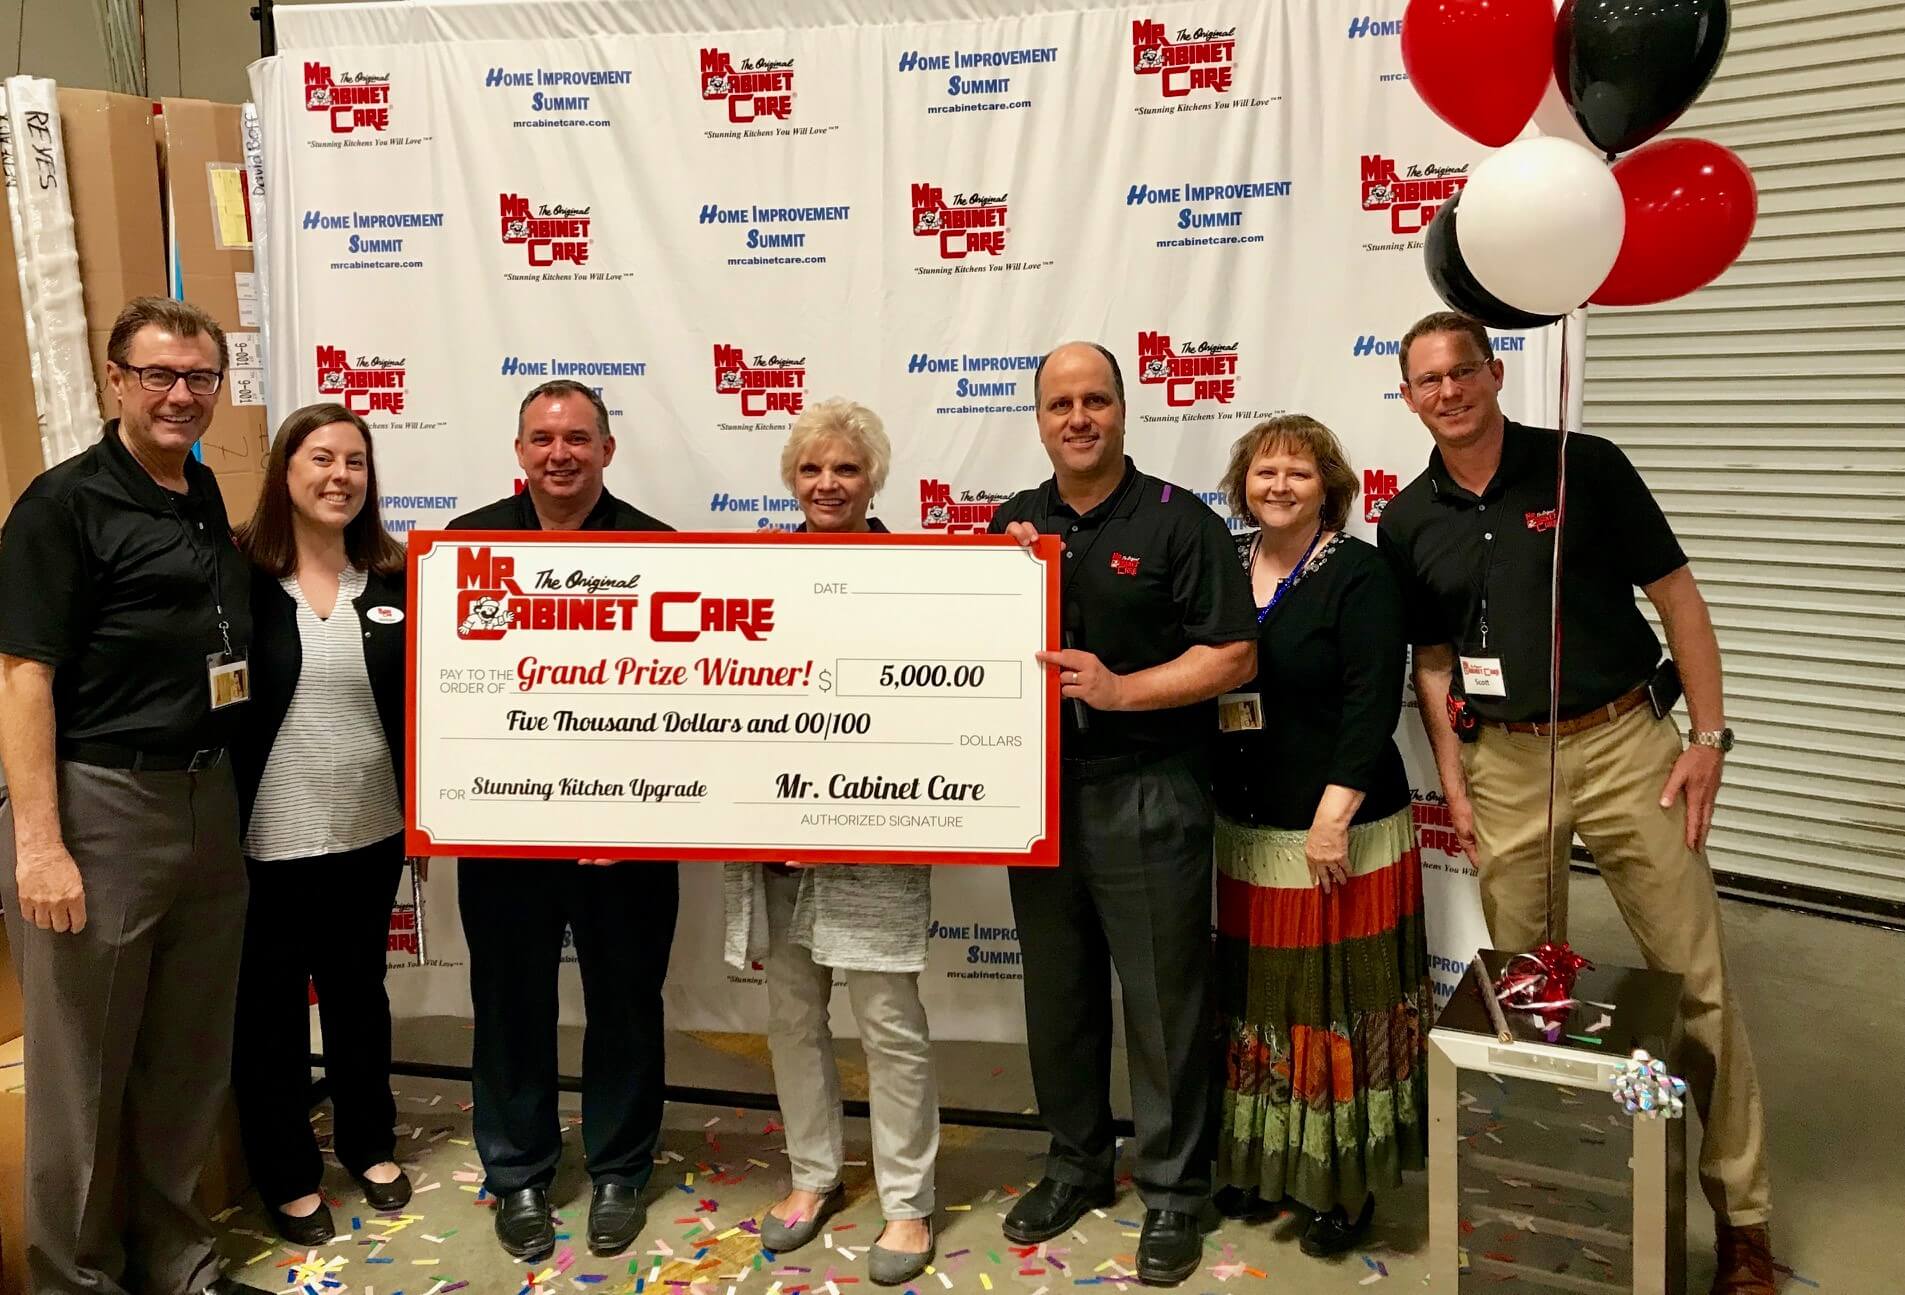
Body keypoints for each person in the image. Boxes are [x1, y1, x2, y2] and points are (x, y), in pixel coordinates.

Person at [1377, 311, 1772, 1295]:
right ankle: (1559, 1185)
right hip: (1505, 761)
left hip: (1627, 743)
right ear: (1409, 397)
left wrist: (1708, 738)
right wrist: (1454, 780)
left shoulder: (1583, 467)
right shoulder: (1407, 518)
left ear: (1494, 372)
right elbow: (1433, 662)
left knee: (1695, 983)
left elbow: (1677, 598)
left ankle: (1743, 1217)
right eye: (1427, 380)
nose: (1447, 391)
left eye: (1462, 371)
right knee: (1528, 993)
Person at [0, 296, 268, 1295]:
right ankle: (76, 1278)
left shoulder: (198, 489)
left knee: (186, 1060)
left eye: (199, 377)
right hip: (101, 809)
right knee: (82, 1075)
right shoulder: (62, 504)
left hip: (208, 801)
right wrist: (41, 845)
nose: (180, 394)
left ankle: (178, 1262)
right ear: (115, 379)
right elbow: (23, 677)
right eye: (158, 374)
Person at [989, 342, 1257, 1286]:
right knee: (1057, 997)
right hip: (1037, 798)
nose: (1078, 418)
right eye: (1059, 403)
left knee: (1163, 1001)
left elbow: (1232, 654)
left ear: (1122, 410)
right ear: (1038, 419)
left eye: (1094, 400)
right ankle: (1075, 1163)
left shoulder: (1180, 521)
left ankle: (1175, 1189)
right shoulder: (1014, 521)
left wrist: (1119, 689)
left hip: (1147, 785)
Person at [450, 380, 679, 1263]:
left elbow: (685, 696)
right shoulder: (465, 547)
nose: (560, 454)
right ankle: (518, 1173)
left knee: (626, 1000)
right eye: (542, 438)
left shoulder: (658, 548)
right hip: (504, 830)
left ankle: (620, 1168)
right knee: (508, 1002)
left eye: (578, 438)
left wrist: (639, 811)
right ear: (518, 451)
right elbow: (449, 695)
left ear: (607, 450)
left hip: (623, 838)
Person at [724, 398, 939, 1287]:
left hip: (875, 840)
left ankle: (908, 1200)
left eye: (845, 468)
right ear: (790, 479)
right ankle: (812, 1175)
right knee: (791, 1017)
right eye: (811, 469)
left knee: (889, 1022)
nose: (827, 484)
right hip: (776, 843)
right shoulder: (757, 575)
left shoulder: (919, 578)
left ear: (873, 479)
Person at [1207, 416, 1429, 1256]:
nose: (1279, 485)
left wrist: (1331, 818)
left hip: (1337, 830)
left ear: (1327, 486)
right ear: (1243, 482)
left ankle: (1346, 1182)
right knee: (1261, 1005)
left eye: (1297, 472)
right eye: (1264, 471)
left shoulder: (1358, 574)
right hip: (1246, 828)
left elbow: (1373, 701)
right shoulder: (1224, 561)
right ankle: (1259, 1160)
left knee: (1336, 1006)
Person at [229, 403, 412, 1244]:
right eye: (321, 458)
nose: (340, 475)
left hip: (370, 832)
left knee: (358, 997)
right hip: (265, 842)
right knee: (268, 1013)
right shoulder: (238, 577)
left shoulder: (397, 578)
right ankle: (288, 1174)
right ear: (285, 470)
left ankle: (369, 1143)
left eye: (355, 461)